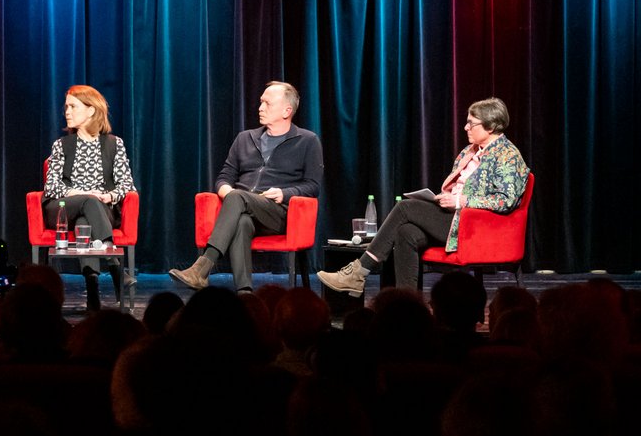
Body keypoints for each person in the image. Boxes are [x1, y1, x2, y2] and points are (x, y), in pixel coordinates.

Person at [318, 97, 530, 295]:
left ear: (491, 126)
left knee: (404, 208)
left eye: (471, 123)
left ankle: (359, 272)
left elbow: (506, 200)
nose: (466, 127)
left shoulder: (508, 155)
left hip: (475, 227)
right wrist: (444, 196)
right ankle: (407, 305)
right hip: (455, 217)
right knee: (406, 232)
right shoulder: (469, 151)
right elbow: (459, 188)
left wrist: (461, 201)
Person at [170, 81, 324, 293]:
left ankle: (203, 266)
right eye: (261, 102)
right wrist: (225, 190)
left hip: (277, 212)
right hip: (242, 208)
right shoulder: (245, 138)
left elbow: (313, 186)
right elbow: (224, 177)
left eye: (267, 104)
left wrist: (284, 193)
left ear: (287, 111)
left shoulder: (307, 140)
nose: (260, 108)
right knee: (241, 221)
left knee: (238, 198)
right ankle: (245, 293)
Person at [42, 85, 136, 308]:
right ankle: (115, 265)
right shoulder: (61, 145)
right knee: (87, 201)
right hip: (64, 208)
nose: (67, 111)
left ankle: (92, 290)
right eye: (66, 107)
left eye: (73, 106)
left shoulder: (115, 144)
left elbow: (127, 184)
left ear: (91, 110)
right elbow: (51, 186)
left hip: (99, 212)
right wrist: (79, 193)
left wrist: (110, 196)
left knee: (87, 222)